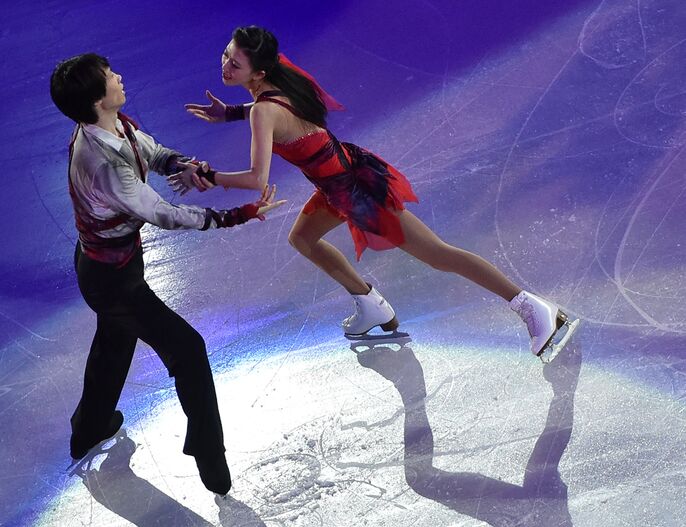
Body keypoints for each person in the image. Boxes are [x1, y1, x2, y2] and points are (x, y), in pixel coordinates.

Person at [175, 25, 578, 351]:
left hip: (356, 190)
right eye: (227, 55)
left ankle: (532, 308)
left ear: (258, 73)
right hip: (337, 182)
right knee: (303, 238)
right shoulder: (279, 83)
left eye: (236, 63)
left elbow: (255, 179)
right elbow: (277, 112)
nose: (226, 65)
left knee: (438, 255)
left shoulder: (263, 110)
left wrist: (208, 175)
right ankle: (371, 304)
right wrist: (229, 112)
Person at [49, 52, 284, 494]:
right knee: (189, 351)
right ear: (97, 99)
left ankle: (89, 428)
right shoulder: (102, 164)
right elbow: (163, 214)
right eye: (109, 76)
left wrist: (183, 166)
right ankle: (210, 458)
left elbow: (154, 154)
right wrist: (233, 216)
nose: (118, 76)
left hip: (113, 265)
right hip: (112, 281)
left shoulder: (117, 125)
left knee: (114, 344)